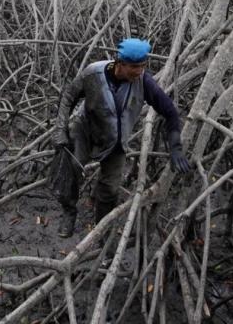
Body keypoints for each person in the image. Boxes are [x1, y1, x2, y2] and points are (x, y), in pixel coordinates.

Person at [53, 38, 191, 238]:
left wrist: (175, 147)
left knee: (110, 189)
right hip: (85, 129)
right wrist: (60, 129)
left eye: (143, 66)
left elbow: (170, 111)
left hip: (116, 139)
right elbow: (68, 96)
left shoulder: (144, 82)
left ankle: (101, 231)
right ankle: (69, 211)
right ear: (120, 63)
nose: (139, 71)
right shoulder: (93, 74)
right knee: (72, 168)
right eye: (134, 66)